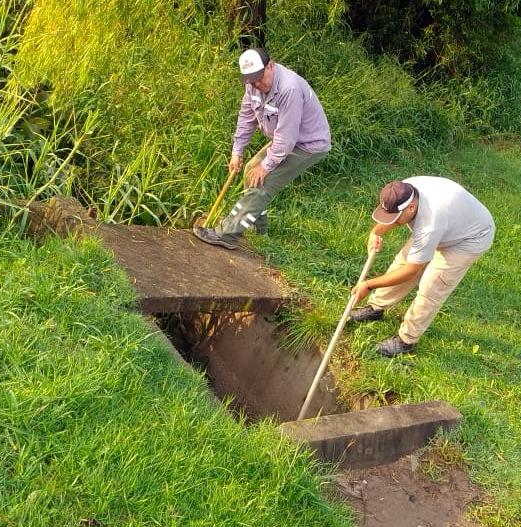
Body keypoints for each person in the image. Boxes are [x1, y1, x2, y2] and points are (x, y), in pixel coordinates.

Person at [193, 48, 331, 249]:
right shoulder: (252, 85)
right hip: (285, 140)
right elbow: (246, 118)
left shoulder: (288, 89)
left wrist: (266, 167)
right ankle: (257, 224)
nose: (257, 84)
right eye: (251, 80)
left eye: (259, 77)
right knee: (251, 170)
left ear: (270, 65)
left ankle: (227, 234)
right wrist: (236, 152)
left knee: (262, 181)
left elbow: (286, 139)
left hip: (308, 145)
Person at [350, 177, 495, 357]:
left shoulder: (430, 224)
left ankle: (406, 340)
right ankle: (376, 308)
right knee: (401, 262)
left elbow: (411, 271)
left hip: (470, 237)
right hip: (448, 222)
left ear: (411, 208)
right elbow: (396, 219)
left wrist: (368, 284)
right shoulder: (403, 190)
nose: (393, 220)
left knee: (432, 287)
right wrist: (375, 232)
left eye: (396, 217)